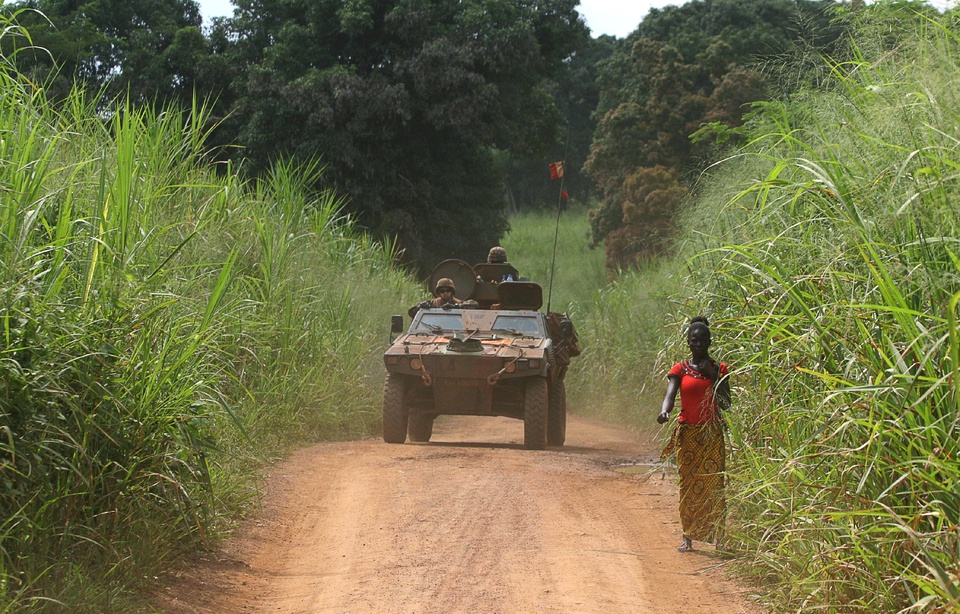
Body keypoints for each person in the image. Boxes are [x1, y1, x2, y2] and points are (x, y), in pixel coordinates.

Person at [657, 316, 732, 552]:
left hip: (711, 434)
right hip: (688, 433)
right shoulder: (680, 369)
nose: (698, 344)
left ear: (710, 342)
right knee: (688, 484)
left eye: (703, 340)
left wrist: (714, 377)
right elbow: (670, 395)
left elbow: (726, 403)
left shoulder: (720, 369)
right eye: (694, 340)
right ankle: (687, 536)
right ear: (688, 342)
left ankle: (719, 536)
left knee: (714, 484)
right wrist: (664, 411)